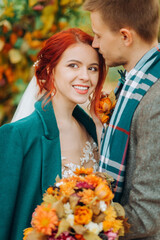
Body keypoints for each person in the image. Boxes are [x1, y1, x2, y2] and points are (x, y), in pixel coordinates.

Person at [0, 28, 106, 240]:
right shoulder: (17, 136)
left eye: (92, 68)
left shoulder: (93, 130)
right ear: (49, 70)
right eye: (73, 65)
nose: (85, 76)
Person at [83, 0, 160, 239]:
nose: (95, 44)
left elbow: (147, 215)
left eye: (98, 35)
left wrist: (78, 227)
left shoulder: (154, 101)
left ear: (125, 36)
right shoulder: (135, 82)